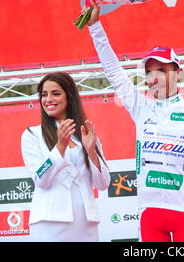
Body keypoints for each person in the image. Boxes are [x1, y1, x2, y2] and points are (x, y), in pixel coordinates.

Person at [84, 0, 184, 242]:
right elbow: (113, 71)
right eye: (149, 72)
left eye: (160, 70)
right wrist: (95, 26)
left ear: (178, 73)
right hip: (149, 215)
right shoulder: (141, 107)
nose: (152, 78)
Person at [21, 72, 110, 241]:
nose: (48, 99)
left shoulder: (87, 134)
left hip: (86, 223)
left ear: (69, 97)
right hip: (49, 222)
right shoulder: (32, 135)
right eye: (44, 95)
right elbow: (41, 179)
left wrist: (91, 150)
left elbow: (103, 183)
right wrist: (60, 147)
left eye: (55, 93)